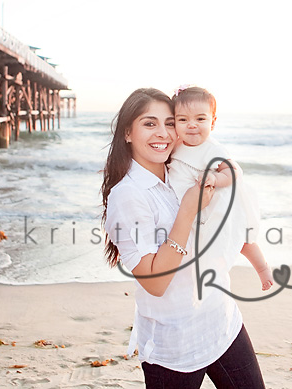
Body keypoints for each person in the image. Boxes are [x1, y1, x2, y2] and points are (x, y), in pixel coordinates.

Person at [101, 88, 266, 388]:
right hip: (174, 343)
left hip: (221, 318)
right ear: (127, 133)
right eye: (149, 124)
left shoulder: (182, 170)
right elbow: (155, 283)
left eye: (169, 123)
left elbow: (228, 184)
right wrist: (188, 210)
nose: (163, 133)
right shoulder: (127, 196)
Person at [168, 85, 274, 291]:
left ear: (213, 122)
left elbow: (234, 172)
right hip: (189, 207)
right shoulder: (176, 145)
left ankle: (262, 269)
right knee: (198, 245)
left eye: (200, 119)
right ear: (174, 121)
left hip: (216, 205)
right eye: (183, 120)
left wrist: (215, 178)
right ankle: (199, 277)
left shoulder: (212, 148)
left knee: (239, 239)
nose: (191, 125)